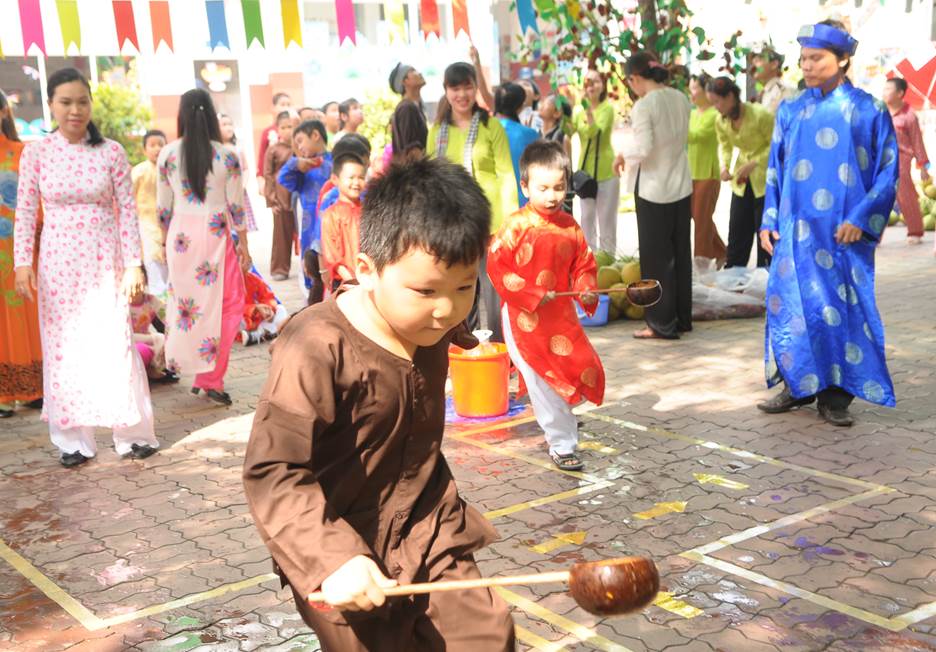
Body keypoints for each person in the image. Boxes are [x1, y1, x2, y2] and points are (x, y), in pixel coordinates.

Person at [242, 156, 515, 651]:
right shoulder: (314, 347)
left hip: (429, 523)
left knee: (487, 636)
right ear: (367, 271)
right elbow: (274, 468)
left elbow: (450, 318)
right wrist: (332, 559)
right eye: (426, 291)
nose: (447, 309)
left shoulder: (430, 320)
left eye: (465, 287)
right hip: (341, 540)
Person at [13, 68, 158, 466]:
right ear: (51, 106)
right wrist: (22, 262)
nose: (75, 110)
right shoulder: (37, 153)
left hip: (104, 262)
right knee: (65, 349)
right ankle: (73, 440)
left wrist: (133, 265)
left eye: (82, 101)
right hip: (58, 265)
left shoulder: (110, 151)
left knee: (115, 343)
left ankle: (132, 432)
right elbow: (25, 212)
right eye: (66, 102)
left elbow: (127, 212)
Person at [757, 20, 898, 427]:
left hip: (842, 235)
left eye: (816, 58)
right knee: (794, 308)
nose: (807, 65)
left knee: (842, 310)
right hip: (796, 233)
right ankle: (796, 384)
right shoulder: (791, 109)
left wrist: (862, 219)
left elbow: (889, 170)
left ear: (843, 59)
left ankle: (835, 396)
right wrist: (769, 218)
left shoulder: (867, 109)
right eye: (803, 58)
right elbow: (775, 169)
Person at [488, 140, 605, 471]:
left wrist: (585, 289)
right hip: (524, 319)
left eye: (559, 187)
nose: (552, 195)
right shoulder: (515, 226)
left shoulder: (570, 226)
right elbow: (497, 267)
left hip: (561, 315)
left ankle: (562, 417)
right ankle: (562, 442)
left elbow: (584, 265)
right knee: (541, 378)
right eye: (543, 188)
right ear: (525, 186)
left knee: (580, 366)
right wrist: (532, 293)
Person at [157, 88, 249, 407]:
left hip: (181, 237)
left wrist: (168, 244)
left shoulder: (168, 153)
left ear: (181, 116)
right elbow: (237, 211)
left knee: (188, 308)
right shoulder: (228, 156)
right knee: (230, 304)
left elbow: (162, 211)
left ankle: (197, 371)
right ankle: (210, 377)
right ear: (211, 115)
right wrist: (246, 248)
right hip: (216, 236)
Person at [428, 61, 517, 342]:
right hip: (452, 222)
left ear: (475, 88)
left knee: (493, 288)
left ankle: (502, 351)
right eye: (455, 88)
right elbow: (432, 179)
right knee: (459, 287)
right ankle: (464, 347)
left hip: (492, 221)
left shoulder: (491, 126)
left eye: (467, 86)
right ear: (446, 91)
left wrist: (509, 223)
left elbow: (506, 174)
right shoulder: (437, 131)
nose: (462, 94)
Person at [614, 52, 693, 340]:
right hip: (681, 184)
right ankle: (682, 318)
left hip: (653, 189)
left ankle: (660, 323)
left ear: (634, 78)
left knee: (657, 260)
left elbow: (644, 148)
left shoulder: (645, 105)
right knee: (681, 254)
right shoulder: (680, 98)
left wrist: (624, 155)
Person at [0, 88, 43, 419]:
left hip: (21, 252)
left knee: (26, 315)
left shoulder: (23, 153)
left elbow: (37, 203)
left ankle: (36, 388)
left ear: (3, 113)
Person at [707, 76, 774, 269]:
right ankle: (734, 274)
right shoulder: (721, 121)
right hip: (741, 181)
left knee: (765, 232)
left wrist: (755, 162)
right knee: (737, 230)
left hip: (766, 181)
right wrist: (724, 166)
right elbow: (725, 146)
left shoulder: (760, 115)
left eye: (717, 102)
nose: (716, 107)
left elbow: (778, 145)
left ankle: (766, 275)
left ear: (730, 96)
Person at [278, 120, 332, 305]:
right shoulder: (302, 170)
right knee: (312, 273)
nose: (299, 147)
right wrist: (295, 164)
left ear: (315, 136)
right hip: (309, 232)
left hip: (331, 228)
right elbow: (282, 178)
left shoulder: (335, 163)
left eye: (300, 141)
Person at [573, 70, 619, 254]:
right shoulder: (577, 111)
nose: (591, 86)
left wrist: (587, 112)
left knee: (607, 220)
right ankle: (588, 263)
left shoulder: (607, 108)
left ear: (603, 85)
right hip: (586, 174)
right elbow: (571, 131)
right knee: (586, 219)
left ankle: (608, 261)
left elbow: (594, 133)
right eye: (588, 83)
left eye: (596, 82)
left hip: (607, 171)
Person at [883, 77, 930, 245]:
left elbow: (917, 141)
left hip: (901, 160)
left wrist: (923, 165)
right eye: (884, 88)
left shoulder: (909, 115)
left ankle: (915, 231)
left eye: (889, 89)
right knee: (879, 196)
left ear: (900, 93)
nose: (884, 92)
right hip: (880, 160)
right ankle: (874, 236)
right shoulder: (880, 112)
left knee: (905, 194)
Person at [687, 73, 727, 266]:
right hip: (690, 173)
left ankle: (701, 266)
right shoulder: (692, 113)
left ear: (706, 90)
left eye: (695, 88)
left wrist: (677, 127)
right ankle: (722, 253)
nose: (691, 92)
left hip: (707, 174)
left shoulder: (714, 114)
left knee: (702, 223)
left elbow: (698, 136)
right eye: (690, 88)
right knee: (699, 218)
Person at [321, 149, 366, 289]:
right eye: (351, 177)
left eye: (361, 177)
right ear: (335, 179)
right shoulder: (331, 215)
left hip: (369, 280)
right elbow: (332, 256)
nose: (356, 182)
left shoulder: (369, 211)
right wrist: (353, 282)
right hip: (346, 283)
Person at [132, 129, 169, 296]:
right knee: (154, 273)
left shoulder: (171, 171)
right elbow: (129, 201)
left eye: (161, 145)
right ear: (144, 149)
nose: (157, 149)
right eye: (152, 145)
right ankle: (162, 317)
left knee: (171, 275)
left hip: (169, 230)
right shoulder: (139, 172)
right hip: (147, 229)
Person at [263, 111, 297, 280]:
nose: (287, 130)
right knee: (281, 235)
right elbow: (268, 175)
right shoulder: (273, 149)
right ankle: (279, 269)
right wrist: (271, 200)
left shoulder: (299, 147)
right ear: (277, 129)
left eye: (290, 126)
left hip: (297, 194)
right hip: (280, 196)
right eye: (283, 127)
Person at [495, 82, 540, 207]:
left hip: (492, 203)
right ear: (520, 106)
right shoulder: (530, 134)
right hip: (523, 204)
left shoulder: (485, 131)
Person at [219, 113, 258, 233]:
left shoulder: (238, 149)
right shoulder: (217, 150)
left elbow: (245, 169)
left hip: (239, 192)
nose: (229, 127)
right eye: (224, 124)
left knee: (240, 226)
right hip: (223, 194)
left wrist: (243, 184)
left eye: (230, 124)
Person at [239, 256, 288, 346]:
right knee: (235, 319)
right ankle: (268, 333)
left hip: (259, 319)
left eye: (248, 259)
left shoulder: (253, 278)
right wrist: (254, 308)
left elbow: (269, 296)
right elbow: (230, 308)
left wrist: (269, 309)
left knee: (280, 309)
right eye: (241, 260)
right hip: (244, 319)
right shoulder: (226, 283)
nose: (247, 262)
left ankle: (260, 334)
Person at [256, 92, 292, 194]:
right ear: (273, 108)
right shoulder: (268, 132)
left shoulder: (295, 128)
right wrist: (260, 180)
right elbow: (262, 157)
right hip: (275, 179)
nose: (286, 107)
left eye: (288, 105)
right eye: (282, 104)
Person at [751, 46, 794, 114]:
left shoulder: (783, 91)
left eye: (759, 60)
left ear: (774, 64)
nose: (753, 65)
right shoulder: (764, 92)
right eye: (753, 62)